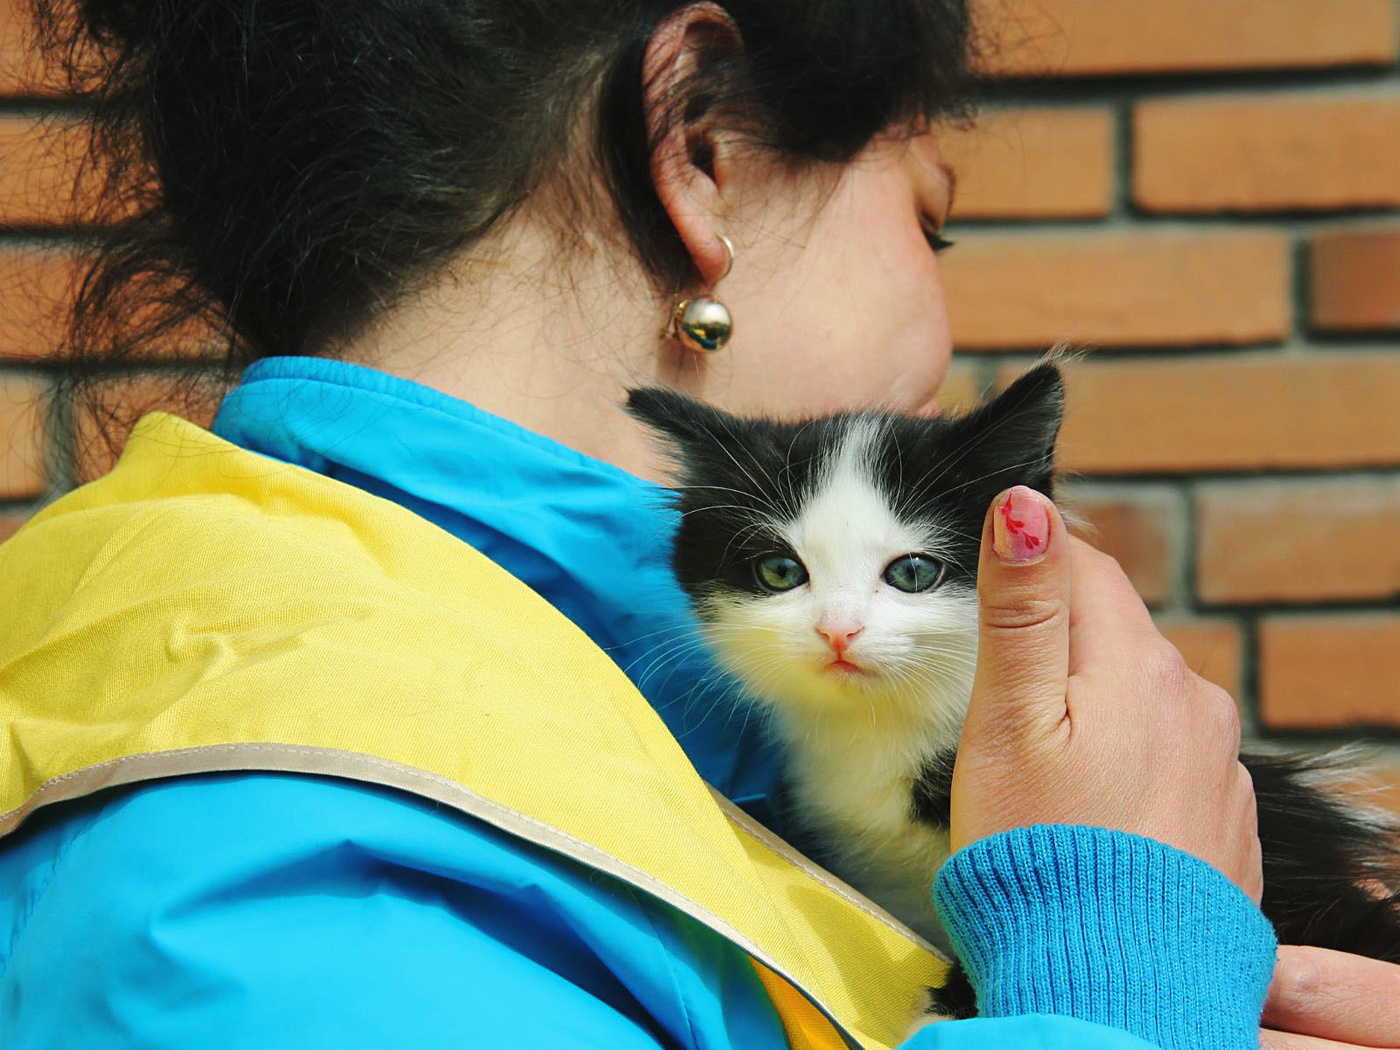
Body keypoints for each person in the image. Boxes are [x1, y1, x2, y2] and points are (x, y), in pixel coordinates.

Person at [0, 1, 1396, 1046]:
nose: (943, 337)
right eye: (931, 222)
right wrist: (1110, 980)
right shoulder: (256, 858)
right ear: (699, 152)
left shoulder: (605, 720)